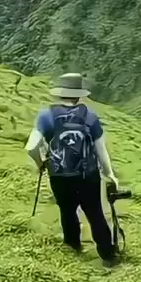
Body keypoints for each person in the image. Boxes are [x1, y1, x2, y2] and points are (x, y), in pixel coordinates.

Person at [25, 71, 120, 263]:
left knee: (67, 211)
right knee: (95, 213)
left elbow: (31, 147)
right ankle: (107, 254)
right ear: (79, 95)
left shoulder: (46, 115)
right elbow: (101, 150)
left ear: (59, 93)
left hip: (59, 175)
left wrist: (41, 162)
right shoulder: (90, 116)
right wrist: (110, 174)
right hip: (88, 175)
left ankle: (73, 248)